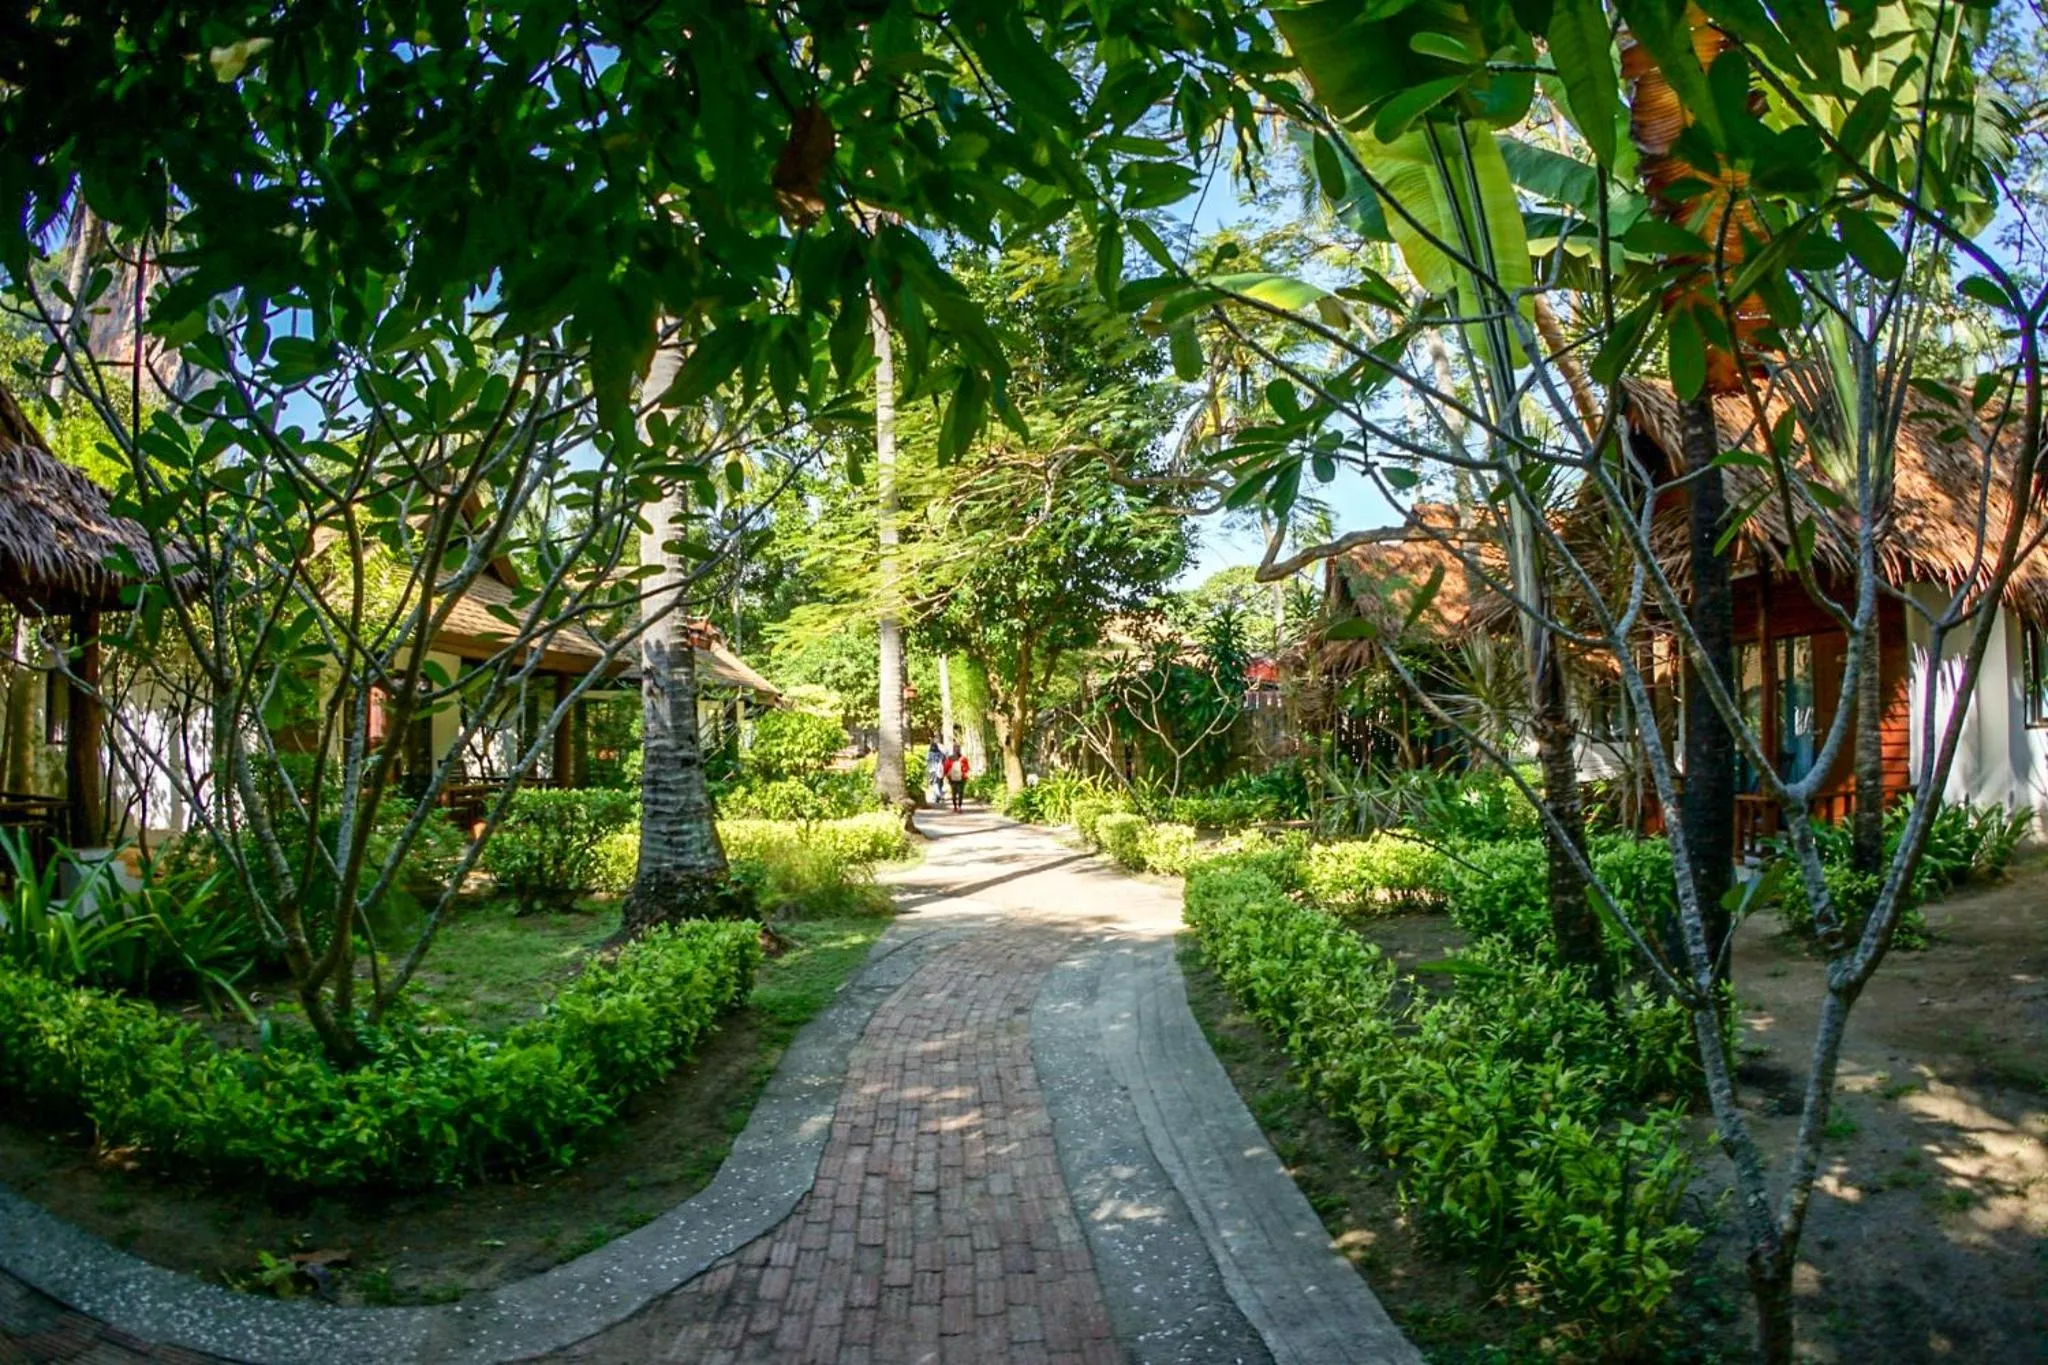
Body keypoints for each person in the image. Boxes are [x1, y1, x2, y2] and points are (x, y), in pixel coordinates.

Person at [943, 743, 969, 812]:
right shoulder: (963, 758)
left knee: (954, 792)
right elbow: (967, 768)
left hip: (952, 778)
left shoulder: (950, 758)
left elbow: (946, 767)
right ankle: (960, 807)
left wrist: (945, 774)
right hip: (962, 777)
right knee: (961, 792)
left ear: (953, 749)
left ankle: (955, 807)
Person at [924, 739, 946, 807]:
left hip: (932, 771)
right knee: (939, 783)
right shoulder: (941, 753)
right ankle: (936, 796)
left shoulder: (929, 754)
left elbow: (927, 761)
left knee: (934, 784)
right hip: (940, 770)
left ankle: (938, 795)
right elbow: (944, 760)